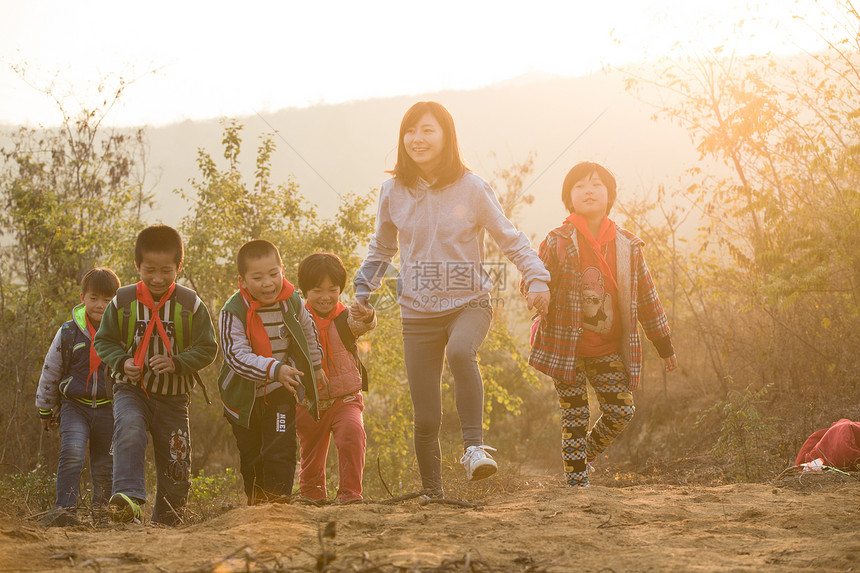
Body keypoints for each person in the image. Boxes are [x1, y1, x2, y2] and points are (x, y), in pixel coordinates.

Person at [351, 101, 551, 497]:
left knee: (462, 352)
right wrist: (362, 293)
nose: (417, 139)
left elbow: (510, 238)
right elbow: (381, 249)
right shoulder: (392, 191)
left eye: (427, 130)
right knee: (425, 415)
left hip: (469, 302)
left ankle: (474, 449)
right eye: (410, 131)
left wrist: (537, 276)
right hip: (417, 311)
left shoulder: (473, 188)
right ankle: (432, 494)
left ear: (446, 136)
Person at [526, 161, 678, 487]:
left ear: (610, 194)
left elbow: (648, 300)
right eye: (580, 186)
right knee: (575, 415)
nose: (589, 190)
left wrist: (663, 344)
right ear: (569, 197)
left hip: (606, 348)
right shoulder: (557, 241)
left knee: (621, 411)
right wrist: (535, 292)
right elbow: (535, 276)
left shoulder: (627, 247)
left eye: (596, 184)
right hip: (565, 348)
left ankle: (585, 453)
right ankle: (577, 485)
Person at [94, 225, 217, 524]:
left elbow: (208, 347)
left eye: (167, 270)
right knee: (129, 430)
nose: (158, 278)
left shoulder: (191, 304)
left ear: (179, 266)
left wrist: (177, 362)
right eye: (149, 270)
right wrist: (122, 362)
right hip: (130, 390)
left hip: (174, 398)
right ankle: (127, 500)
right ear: (137, 265)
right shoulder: (121, 302)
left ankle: (168, 518)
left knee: (176, 458)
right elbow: (103, 341)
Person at [217, 240, 325, 505]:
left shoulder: (291, 301)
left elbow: (308, 332)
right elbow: (236, 357)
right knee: (252, 456)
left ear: (282, 270)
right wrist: (274, 369)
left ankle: (277, 505)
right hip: (244, 398)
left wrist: (316, 366)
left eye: (273, 274)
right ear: (242, 280)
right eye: (257, 277)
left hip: (279, 391)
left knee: (281, 448)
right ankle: (257, 506)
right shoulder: (232, 312)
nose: (267, 283)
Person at [35, 267, 120, 522]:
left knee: (105, 465)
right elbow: (51, 370)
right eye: (94, 298)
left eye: (108, 300)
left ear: (117, 300)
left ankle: (103, 514)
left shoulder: (121, 333)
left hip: (108, 408)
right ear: (82, 297)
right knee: (72, 453)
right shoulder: (69, 332)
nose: (100, 305)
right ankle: (65, 511)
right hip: (75, 406)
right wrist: (45, 408)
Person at [295, 253, 376, 503]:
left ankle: (350, 493)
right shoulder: (296, 319)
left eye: (333, 289)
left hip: (346, 397)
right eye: (317, 290)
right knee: (311, 450)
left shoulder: (344, 318)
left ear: (340, 289)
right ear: (305, 290)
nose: (326, 297)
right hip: (309, 400)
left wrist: (367, 315)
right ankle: (312, 493)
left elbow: (362, 324)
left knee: (353, 435)